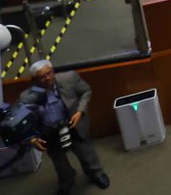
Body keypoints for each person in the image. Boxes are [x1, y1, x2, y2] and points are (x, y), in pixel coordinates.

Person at [20, 60, 109, 193]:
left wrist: (80, 111)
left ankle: (96, 173)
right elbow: (23, 120)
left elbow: (86, 91)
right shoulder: (26, 97)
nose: (47, 78)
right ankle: (67, 179)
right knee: (58, 160)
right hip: (49, 131)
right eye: (42, 77)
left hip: (72, 124)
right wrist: (32, 137)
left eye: (49, 73)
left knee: (85, 151)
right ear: (34, 80)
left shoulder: (69, 78)